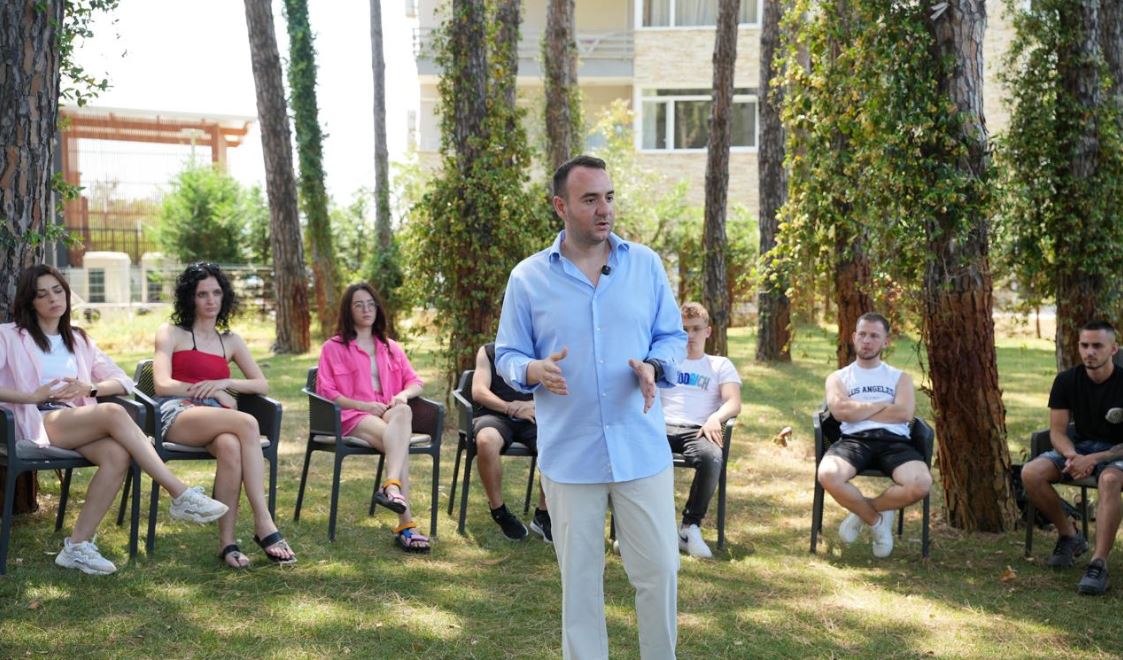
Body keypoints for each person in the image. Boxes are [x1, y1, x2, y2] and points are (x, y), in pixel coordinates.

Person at [496, 155, 687, 659]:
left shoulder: (645, 265)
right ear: (561, 206)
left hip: (640, 449)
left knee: (660, 571)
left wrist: (654, 365)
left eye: (609, 197)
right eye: (589, 199)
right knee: (580, 586)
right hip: (570, 455)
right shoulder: (527, 278)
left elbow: (672, 336)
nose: (604, 209)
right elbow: (507, 354)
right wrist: (532, 370)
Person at [0, 264, 228, 575]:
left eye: (57, 290)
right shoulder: (9, 336)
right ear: (30, 302)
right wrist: (30, 396)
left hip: (74, 420)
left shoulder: (78, 339)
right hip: (33, 419)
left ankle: (77, 547)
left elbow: (122, 381)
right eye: (42, 294)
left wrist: (90, 388)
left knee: (117, 454)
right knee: (113, 412)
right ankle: (179, 493)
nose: (53, 299)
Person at [153, 262, 296, 568]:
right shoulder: (171, 333)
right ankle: (263, 521)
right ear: (190, 298)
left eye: (216, 293)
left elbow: (261, 383)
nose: (210, 300)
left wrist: (225, 383)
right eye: (202, 294)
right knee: (247, 422)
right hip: (178, 412)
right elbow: (162, 384)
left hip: (215, 417)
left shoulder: (229, 340)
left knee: (231, 446)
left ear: (225, 296)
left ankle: (227, 544)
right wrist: (212, 393)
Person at [316, 282, 430, 553]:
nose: (366, 310)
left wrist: (403, 395)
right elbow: (326, 391)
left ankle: (391, 486)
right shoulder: (333, 348)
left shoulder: (390, 347)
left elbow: (415, 382)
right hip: (352, 416)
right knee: (399, 444)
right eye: (359, 305)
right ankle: (406, 524)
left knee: (404, 411)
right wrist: (363, 405)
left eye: (371, 304)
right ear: (348, 310)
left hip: (387, 411)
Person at [1022, 320, 1123, 595]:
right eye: (1084, 345)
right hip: (1080, 447)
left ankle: (1098, 563)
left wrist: (1094, 459)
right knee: (1031, 473)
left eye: (1097, 346)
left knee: (1110, 479)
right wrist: (1073, 456)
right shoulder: (1066, 380)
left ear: (1113, 349)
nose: (1090, 352)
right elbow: (1057, 431)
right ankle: (1070, 535)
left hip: (1116, 451)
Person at [817, 312, 928, 559]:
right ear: (854, 337)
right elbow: (840, 411)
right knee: (828, 474)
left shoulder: (900, 378)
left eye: (875, 336)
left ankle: (862, 512)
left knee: (921, 483)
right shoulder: (838, 378)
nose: (867, 340)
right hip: (854, 441)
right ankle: (876, 521)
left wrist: (858, 410)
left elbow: (904, 413)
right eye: (863, 334)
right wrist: (882, 405)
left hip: (895, 442)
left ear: (886, 342)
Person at [659, 302, 742, 559]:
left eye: (696, 329)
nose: (690, 335)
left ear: (708, 331)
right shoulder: (665, 361)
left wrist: (715, 418)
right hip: (660, 427)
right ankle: (646, 529)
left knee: (712, 457)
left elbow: (734, 402)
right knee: (635, 454)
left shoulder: (719, 365)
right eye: (684, 329)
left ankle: (689, 527)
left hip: (698, 430)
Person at [470, 342, 551, 542]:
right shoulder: (489, 351)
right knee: (486, 441)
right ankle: (499, 511)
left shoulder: (544, 349)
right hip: (495, 414)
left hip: (534, 414)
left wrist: (531, 404)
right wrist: (509, 407)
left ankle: (544, 514)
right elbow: (479, 391)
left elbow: (558, 389)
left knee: (556, 442)